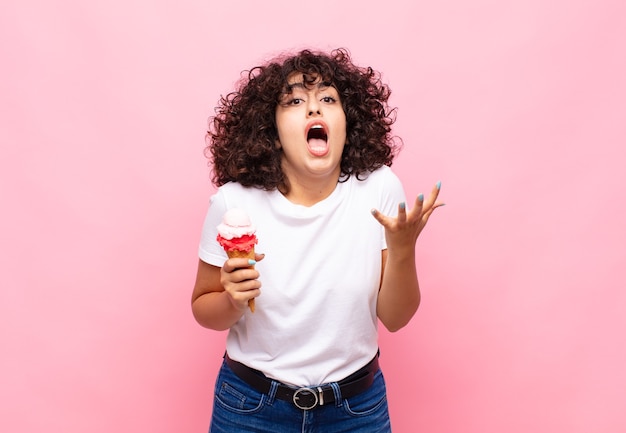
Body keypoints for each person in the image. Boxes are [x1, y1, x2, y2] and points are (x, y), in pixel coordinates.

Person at [191, 48, 444, 432]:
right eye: (294, 101)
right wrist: (231, 299)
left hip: (356, 409)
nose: (314, 110)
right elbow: (203, 308)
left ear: (348, 122)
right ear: (271, 132)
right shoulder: (234, 201)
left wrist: (404, 250)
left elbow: (395, 317)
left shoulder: (379, 188)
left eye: (328, 99)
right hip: (251, 408)